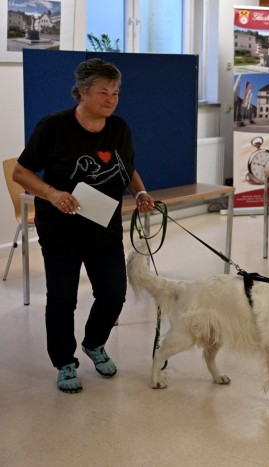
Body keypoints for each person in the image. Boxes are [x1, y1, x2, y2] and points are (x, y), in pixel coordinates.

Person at [13, 58, 155, 394]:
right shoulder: (53, 127)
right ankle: (65, 362)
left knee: (113, 294)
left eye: (116, 93)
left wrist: (142, 191)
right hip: (61, 229)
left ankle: (94, 343)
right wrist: (52, 193)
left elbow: (126, 168)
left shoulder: (119, 127)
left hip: (104, 228)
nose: (111, 99)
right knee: (62, 299)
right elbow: (21, 172)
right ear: (82, 93)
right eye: (103, 93)